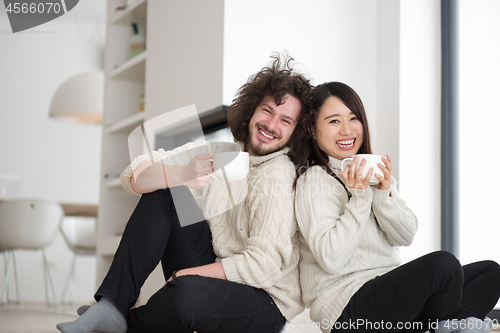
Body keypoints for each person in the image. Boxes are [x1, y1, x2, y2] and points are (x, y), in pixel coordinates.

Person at [57, 54, 312, 333]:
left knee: (183, 296)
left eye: (285, 120)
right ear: (252, 109)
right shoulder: (222, 152)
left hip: (265, 298)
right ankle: (111, 306)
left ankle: (120, 322)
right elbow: (134, 175)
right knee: (165, 190)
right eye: (267, 110)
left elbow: (262, 266)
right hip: (215, 272)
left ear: (295, 132)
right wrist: (180, 175)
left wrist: (186, 274)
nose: (271, 125)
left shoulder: (278, 174)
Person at [294, 81, 500, 333]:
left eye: (354, 118)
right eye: (334, 121)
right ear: (312, 129)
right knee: (444, 267)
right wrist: (359, 199)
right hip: (347, 310)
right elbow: (330, 258)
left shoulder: (372, 173)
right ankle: (449, 325)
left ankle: (454, 326)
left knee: (491, 271)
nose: (347, 130)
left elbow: (406, 235)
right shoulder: (314, 180)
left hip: (391, 301)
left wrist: (382, 194)